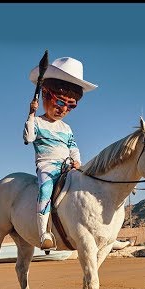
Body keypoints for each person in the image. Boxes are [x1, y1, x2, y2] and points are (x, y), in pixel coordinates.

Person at [23, 56, 98, 250]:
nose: (63, 109)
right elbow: (28, 138)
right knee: (46, 189)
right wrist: (31, 114)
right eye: (59, 101)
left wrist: (77, 161)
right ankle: (43, 233)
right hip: (47, 165)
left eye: (71, 105)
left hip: (67, 166)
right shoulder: (38, 123)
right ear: (45, 95)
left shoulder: (66, 128)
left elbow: (73, 146)